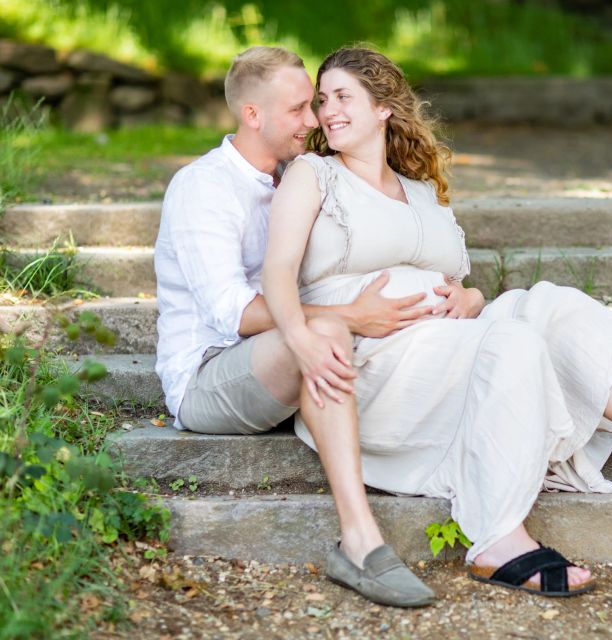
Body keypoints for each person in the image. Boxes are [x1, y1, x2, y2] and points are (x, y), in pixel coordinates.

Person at [261, 46, 612, 605]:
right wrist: (304, 338)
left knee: (550, 304)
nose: (327, 111)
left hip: (445, 344)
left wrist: (474, 296)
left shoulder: (422, 192)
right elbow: (278, 271)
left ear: (383, 108)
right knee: (516, 339)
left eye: (343, 97)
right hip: (374, 365)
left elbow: (458, 282)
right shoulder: (313, 175)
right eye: (322, 99)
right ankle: (499, 537)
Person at [154, 46, 440, 606]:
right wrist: (349, 314)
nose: (314, 121)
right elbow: (233, 316)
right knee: (328, 333)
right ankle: (360, 544)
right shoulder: (204, 188)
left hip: (282, 359)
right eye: (298, 109)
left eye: (314, 105)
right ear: (252, 115)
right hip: (208, 376)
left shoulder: (300, 175)